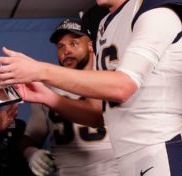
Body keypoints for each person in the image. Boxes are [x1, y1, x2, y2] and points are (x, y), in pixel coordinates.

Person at [0, 0, 182, 175]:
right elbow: (99, 115)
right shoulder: (104, 26)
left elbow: (124, 86)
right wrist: (47, 96)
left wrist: (41, 70)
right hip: (126, 161)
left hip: (160, 150)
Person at [20, 16, 118, 176]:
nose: (66, 51)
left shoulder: (108, 79)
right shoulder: (45, 88)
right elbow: (30, 137)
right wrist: (31, 153)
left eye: (74, 43)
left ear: (90, 45)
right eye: (60, 46)